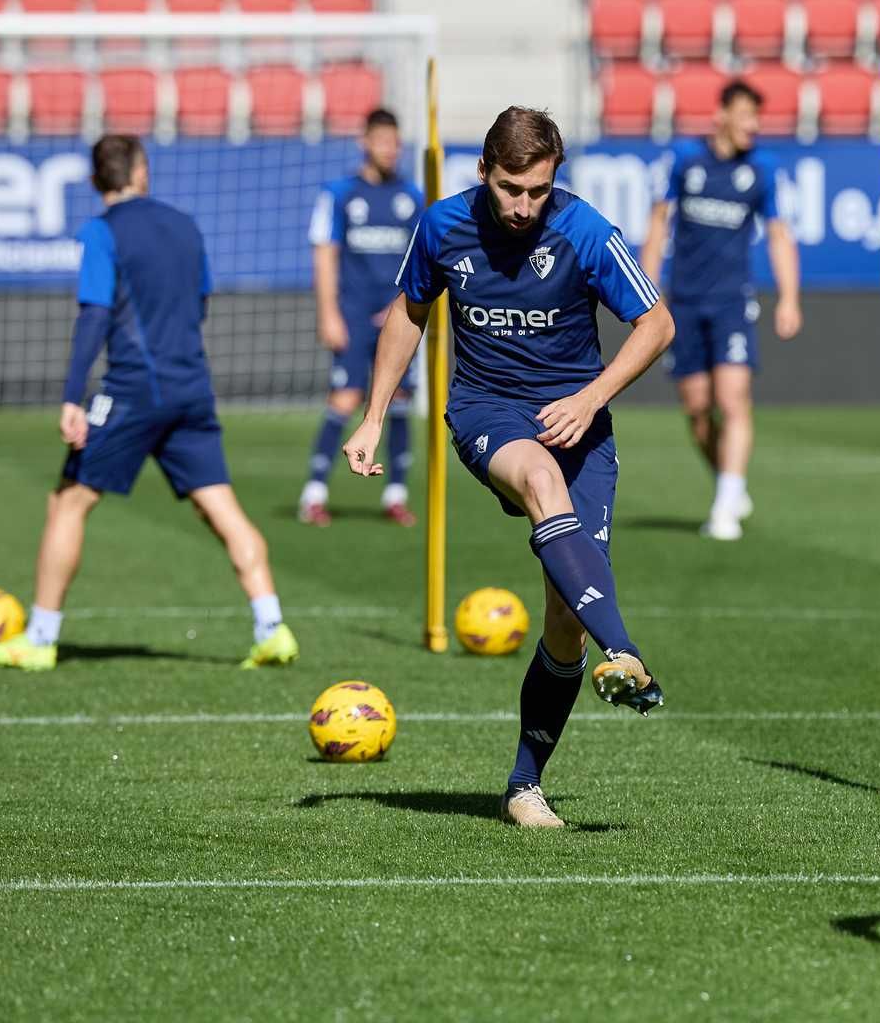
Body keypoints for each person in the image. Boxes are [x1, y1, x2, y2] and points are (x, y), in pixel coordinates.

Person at [341, 107, 674, 828]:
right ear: (485, 173)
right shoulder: (442, 226)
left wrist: (590, 399)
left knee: (564, 622)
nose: (523, 206)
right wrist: (373, 416)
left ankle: (525, 786)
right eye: (510, 189)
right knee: (540, 481)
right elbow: (409, 312)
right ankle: (628, 651)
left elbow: (657, 324)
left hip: (580, 422)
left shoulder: (584, 229)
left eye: (537, 191)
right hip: (486, 411)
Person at [0, 136, 298, 672]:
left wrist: (72, 398)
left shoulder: (102, 231)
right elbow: (199, 304)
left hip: (131, 390)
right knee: (219, 506)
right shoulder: (186, 226)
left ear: (95, 181)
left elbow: (94, 315)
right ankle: (272, 627)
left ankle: (39, 638)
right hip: (192, 386)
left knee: (69, 501)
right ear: (142, 172)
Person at [638, 79, 801, 541]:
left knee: (732, 400)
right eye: (746, 114)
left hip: (732, 302)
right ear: (722, 116)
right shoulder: (686, 161)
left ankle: (726, 504)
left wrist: (789, 297)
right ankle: (729, 482)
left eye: (757, 117)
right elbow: (657, 225)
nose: (754, 125)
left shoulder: (762, 170)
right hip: (684, 302)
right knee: (697, 410)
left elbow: (779, 235)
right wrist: (648, 292)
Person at [297, 108, 425, 527]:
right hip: (351, 313)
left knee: (400, 398)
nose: (391, 149)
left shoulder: (412, 197)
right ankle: (314, 493)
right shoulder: (339, 194)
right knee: (346, 398)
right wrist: (328, 313)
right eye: (383, 140)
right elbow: (325, 253)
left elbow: (422, 259)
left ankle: (396, 493)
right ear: (365, 142)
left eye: (396, 141)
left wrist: (407, 305)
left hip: (397, 314)